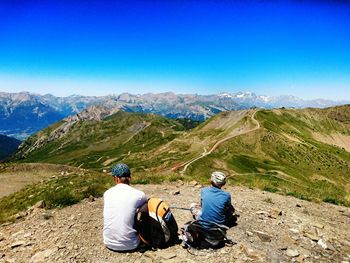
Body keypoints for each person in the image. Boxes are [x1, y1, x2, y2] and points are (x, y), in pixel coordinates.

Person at [103, 163, 148, 252]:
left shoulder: (107, 193)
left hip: (108, 242)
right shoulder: (139, 194)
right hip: (132, 244)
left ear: (116, 178)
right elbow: (146, 211)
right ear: (129, 178)